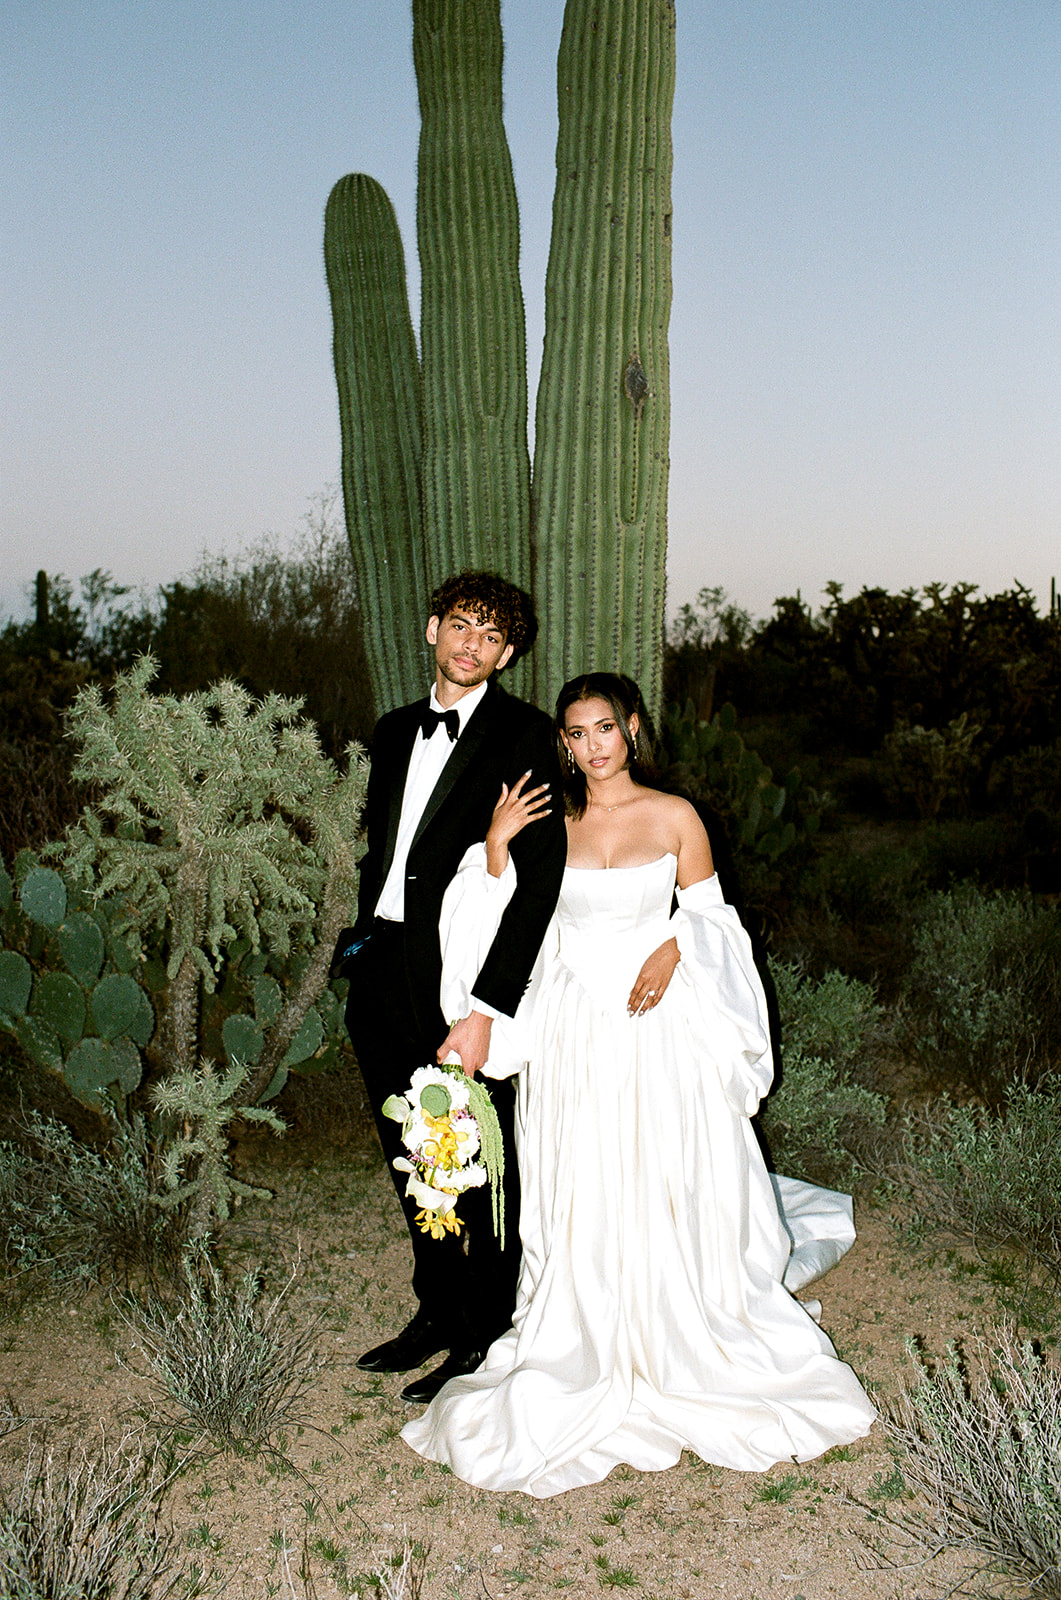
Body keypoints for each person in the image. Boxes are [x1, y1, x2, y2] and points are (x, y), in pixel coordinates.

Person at [401, 672, 875, 1495]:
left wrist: (672, 947)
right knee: (582, 1175)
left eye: (603, 730)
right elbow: (503, 922)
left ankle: (682, 1320)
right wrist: (497, 843)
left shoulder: (674, 817)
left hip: (657, 1022)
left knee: (663, 1169)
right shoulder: (558, 821)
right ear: (564, 741)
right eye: (575, 733)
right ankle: (581, 1329)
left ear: (630, 730)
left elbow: (713, 921)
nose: (590, 746)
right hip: (575, 1023)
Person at [336, 572, 567, 1405]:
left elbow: (537, 884)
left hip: (461, 985)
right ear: (431, 629)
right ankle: (436, 1310)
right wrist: (358, 949)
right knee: (412, 1155)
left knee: (477, 1161)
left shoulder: (524, 736)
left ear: (506, 655)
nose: (473, 645)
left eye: (491, 637)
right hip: (383, 969)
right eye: (461, 627)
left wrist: (485, 1010)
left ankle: (485, 1331)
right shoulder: (393, 730)